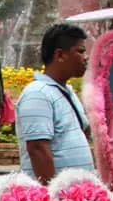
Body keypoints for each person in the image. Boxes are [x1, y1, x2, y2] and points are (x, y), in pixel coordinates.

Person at [14, 24, 94, 185]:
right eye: (80, 51)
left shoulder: (67, 91)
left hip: (76, 197)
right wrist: (52, 197)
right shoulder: (37, 93)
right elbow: (37, 149)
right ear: (60, 55)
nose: (86, 57)